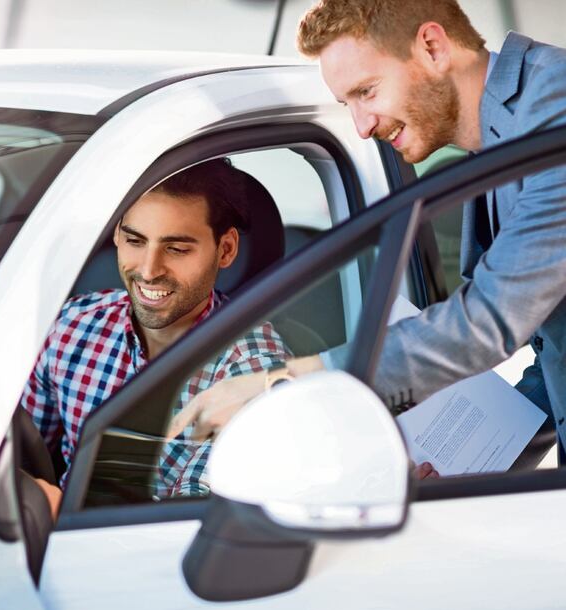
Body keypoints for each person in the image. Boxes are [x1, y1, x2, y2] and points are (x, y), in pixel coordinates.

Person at [170, 0, 566, 475]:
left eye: (367, 91)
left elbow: (490, 320)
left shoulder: (555, 111)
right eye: (347, 104)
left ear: (433, 47)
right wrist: (474, 471)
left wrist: (284, 383)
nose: (362, 127)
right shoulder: (508, 133)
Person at [21, 158, 291, 512]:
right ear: (116, 233)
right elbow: (19, 451)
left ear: (225, 249)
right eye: (135, 241)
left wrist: (55, 518)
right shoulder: (73, 323)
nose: (148, 271)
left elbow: (193, 524)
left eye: (176, 249)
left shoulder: (253, 370)